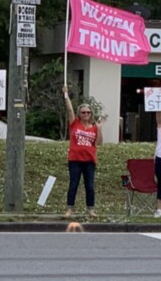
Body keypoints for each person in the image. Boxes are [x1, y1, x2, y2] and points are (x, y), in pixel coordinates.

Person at [63, 83, 100, 219]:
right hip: (75, 160)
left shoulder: (94, 127)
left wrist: (100, 128)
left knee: (89, 185)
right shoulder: (75, 124)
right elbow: (70, 110)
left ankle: (90, 209)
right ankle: (69, 209)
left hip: (89, 161)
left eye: (88, 112)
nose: (86, 114)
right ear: (79, 114)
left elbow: (99, 142)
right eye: (83, 112)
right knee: (73, 184)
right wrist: (66, 95)